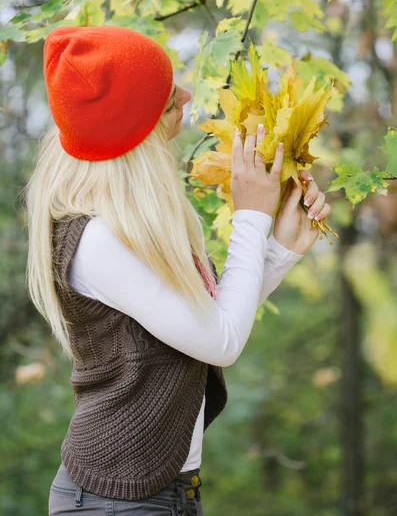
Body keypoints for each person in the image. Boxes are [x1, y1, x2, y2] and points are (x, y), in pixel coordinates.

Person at [22, 26, 331, 516]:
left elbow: (209, 324)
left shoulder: (133, 223)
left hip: (163, 492)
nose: (187, 97)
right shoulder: (99, 241)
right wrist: (251, 214)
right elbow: (221, 344)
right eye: (169, 101)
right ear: (135, 131)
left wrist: (278, 248)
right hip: (117, 501)